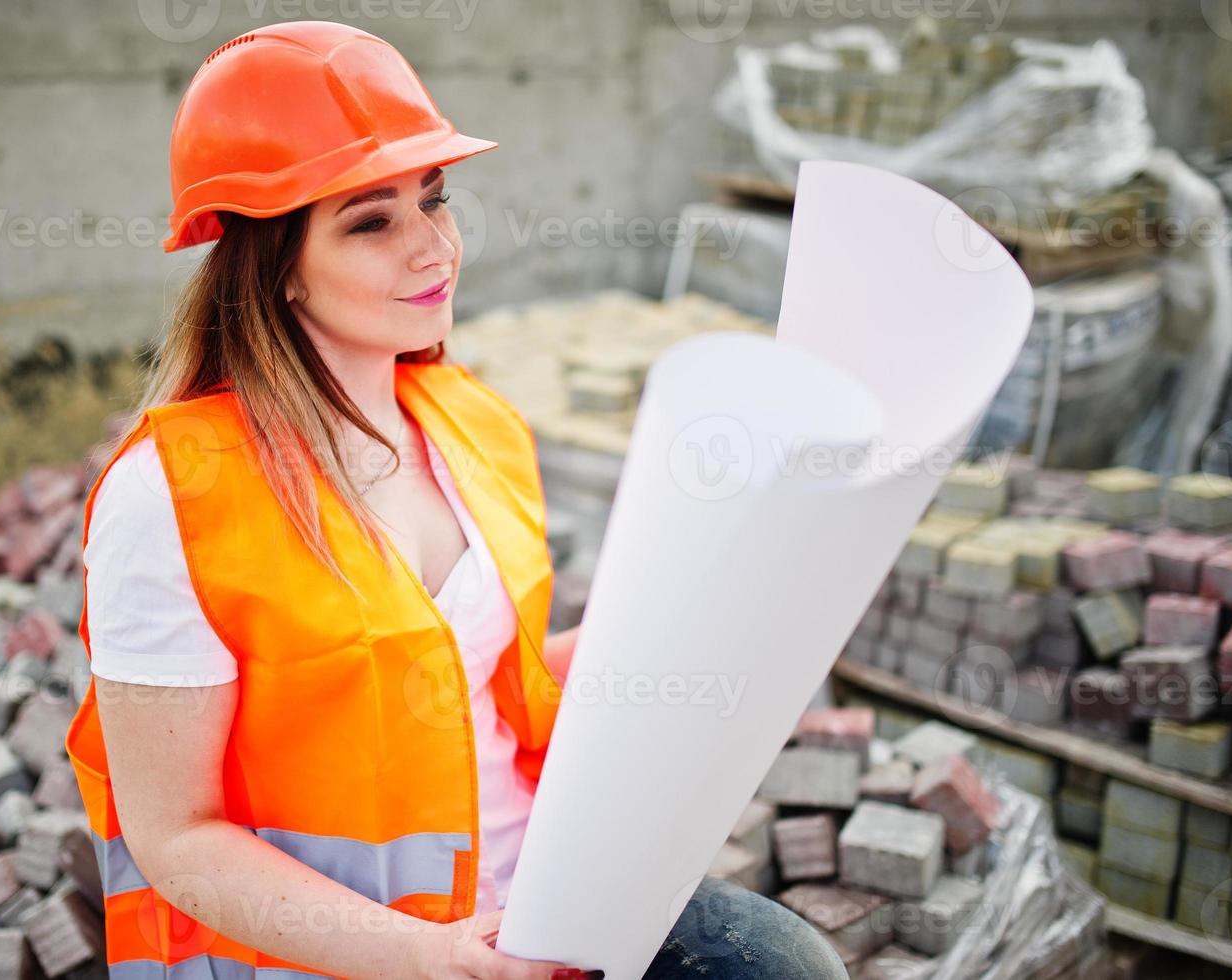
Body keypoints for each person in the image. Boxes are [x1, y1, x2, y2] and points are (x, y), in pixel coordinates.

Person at [64, 20, 849, 980]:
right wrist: (426, 956)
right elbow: (176, 838)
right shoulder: (171, 495)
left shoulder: (469, 421)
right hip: (338, 958)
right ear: (274, 266)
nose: (433, 246)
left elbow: (490, 686)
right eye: (371, 220)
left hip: (539, 906)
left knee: (784, 966)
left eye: (434, 201)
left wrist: (699, 626)